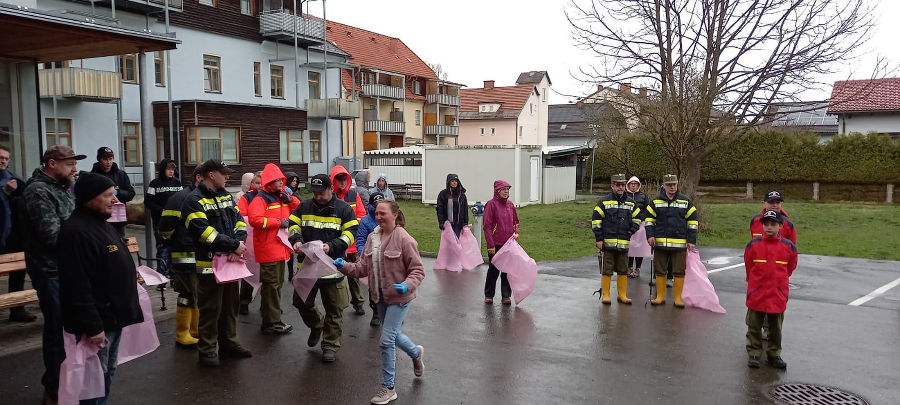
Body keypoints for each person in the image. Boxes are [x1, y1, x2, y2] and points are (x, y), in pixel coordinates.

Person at [58, 172, 143, 404]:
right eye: (107, 195)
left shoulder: (101, 224)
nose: (114, 200)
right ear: (89, 198)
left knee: (106, 374)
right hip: (98, 324)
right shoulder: (76, 232)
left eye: (114, 194)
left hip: (113, 318)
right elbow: (77, 286)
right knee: (94, 382)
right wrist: (93, 326)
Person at [333, 199, 425, 405]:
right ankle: (415, 353)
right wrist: (343, 266)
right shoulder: (373, 238)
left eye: (383, 213)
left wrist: (407, 285)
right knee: (393, 335)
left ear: (395, 215)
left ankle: (388, 388)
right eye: (377, 214)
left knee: (386, 340)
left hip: (399, 298)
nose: (379, 217)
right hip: (379, 297)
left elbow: (418, 270)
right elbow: (362, 268)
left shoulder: (404, 239)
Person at [21, 145, 86, 403]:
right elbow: (52, 236)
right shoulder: (37, 192)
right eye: (69, 163)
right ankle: (55, 388)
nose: (74, 168)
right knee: (58, 331)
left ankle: (70, 384)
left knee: (72, 329)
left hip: (68, 269)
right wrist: (85, 241)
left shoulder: (63, 188)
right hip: (50, 272)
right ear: (51, 164)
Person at [183, 159, 250, 367]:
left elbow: (240, 221)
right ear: (211, 174)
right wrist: (233, 246)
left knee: (230, 306)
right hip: (209, 264)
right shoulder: (194, 200)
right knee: (211, 308)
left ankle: (229, 343)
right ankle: (207, 350)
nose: (227, 176)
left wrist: (238, 244)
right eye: (224, 173)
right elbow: (203, 232)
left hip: (230, 262)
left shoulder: (226, 196)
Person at [286, 173, 358, 363]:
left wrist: (331, 246)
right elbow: (293, 225)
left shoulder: (343, 209)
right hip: (307, 268)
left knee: (334, 310)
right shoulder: (304, 206)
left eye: (322, 193)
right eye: (315, 193)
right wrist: (296, 240)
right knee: (301, 303)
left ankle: (330, 346)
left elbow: (351, 233)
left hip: (332, 268)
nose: (317, 197)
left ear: (331, 189)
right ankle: (317, 325)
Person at [247, 163, 300, 335]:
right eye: (277, 180)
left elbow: (298, 208)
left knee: (276, 285)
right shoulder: (260, 199)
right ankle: (272, 322)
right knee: (271, 286)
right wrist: (278, 223)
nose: (280, 183)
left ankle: (271, 318)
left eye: (281, 180)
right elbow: (255, 219)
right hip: (269, 249)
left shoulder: (281, 196)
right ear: (269, 181)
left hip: (279, 248)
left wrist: (290, 199)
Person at [744, 210, 798, 369]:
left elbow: (791, 267)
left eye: (773, 224)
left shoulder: (789, 247)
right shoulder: (753, 245)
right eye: (766, 224)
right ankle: (754, 352)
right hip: (757, 292)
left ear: (780, 226)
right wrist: (755, 283)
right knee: (754, 325)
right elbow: (749, 265)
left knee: (776, 327)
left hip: (777, 293)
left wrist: (779, 283)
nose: (769, 227)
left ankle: (774, 354)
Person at [159, 167, 204, 347]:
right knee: (187, 293)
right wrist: (177, 243)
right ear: (199, 177)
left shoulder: (201, 197)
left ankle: (195, 330)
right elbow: (165, 229)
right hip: (184, 254)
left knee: (197, 293)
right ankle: (182, 333)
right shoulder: (178, 199)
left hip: (200, 255)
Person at [645, 174, 699, 308]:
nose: (672, 187)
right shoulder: (655, 201)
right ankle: (660, 297)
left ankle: (677, 299)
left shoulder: (686, 201)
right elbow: (649, 221)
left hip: (679, 244)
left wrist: (691, 240)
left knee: (679, 271)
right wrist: (650, 235)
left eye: (674, 184)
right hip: (660, 244)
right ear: (664, 186)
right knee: (660, 270)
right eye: (669, 185)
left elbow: (693, 222)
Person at [592, 174, 642, 305]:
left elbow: (637, 219)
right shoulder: (603, 202)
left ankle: (622, 295)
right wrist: (599, 239)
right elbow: (596, 221)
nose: (620, 187)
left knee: (623, 270)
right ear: (612, 186)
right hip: (608, 244)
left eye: (622, 184)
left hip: (624, 244)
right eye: (617, 184)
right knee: (607, 270)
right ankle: (606, 295)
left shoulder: (632, 203)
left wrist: (631, 230)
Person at [1, 145, 35, 322]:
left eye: (6, 158)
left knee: (18, 271)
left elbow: (23, 199)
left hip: (12, 233)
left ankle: (17, 308)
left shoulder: (12, 176)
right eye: (0, 157)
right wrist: (5, 193)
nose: (3, 161)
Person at [330, 165, 368, 316]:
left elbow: (361, 214)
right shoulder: (329, 196)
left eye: (344, 178)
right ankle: (338, 304)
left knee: (354, 275)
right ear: (333, 180)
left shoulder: (353, 194)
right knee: (335, 276)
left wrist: (348, 226)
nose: (343, 181)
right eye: (339, 178)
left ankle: (358, 302)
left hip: (351, 243)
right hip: (336, 244)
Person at [144, 159, 183, 279]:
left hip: (176, 223)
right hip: (160, 223)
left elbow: (182, 199)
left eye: (173, 169)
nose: (171, 171)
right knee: (163, 249)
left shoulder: (177, 183)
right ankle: (161, 276)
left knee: (175, 248)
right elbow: (148, 201)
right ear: (163, 170)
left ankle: (173, 275)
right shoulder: (155, 183)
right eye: (168, 169)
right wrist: (162, 211)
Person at [483, 180, 519, 305]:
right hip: (495, 244)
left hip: (508, 244)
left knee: (507, 271)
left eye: (507, 189)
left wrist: (516, 233)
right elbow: (487, 226)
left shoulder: (510, 205)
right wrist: (490, 245)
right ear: (497, 191)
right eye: (503, 189)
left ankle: (506, 296)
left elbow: (516, 222)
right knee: (493, 270)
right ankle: (489, 294)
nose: (506, 192)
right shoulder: (491, 204)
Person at [90, 147, 135, 237]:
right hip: (100, 219)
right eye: (105, 159)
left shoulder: (121, 175)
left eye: (110, 159)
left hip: (117, 220)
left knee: (119, 246)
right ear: (99, 159)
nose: (108, 162)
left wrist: (117, 193)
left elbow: (131, 193)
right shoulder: (93, 176)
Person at [356, 192, 385, 327]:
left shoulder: (391, 218)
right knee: (374, 288)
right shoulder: (366, 221)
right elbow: (360, 240)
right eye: (376, 205)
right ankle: (376, 312)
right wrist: (364, 255)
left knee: (390, 287)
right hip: (373, 261)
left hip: (390, 260)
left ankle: (392, 313)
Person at [236, 171, 261, 315]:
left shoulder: (273, 197)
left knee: (268, 278)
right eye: (257, 182)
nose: (260, 185)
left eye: (262, 182)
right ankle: (243, 302)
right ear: (252, 184)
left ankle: (268, 306)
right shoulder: (247, 197)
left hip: (267, 244)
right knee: (249, 273)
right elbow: (242, 217)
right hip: (251, 243)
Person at [625, 175, 650, 278]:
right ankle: (629, 267)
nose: (633, 186)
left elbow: (648, 209)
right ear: (628, 185)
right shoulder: (625, 196)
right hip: (628, 224)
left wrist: (644, 220)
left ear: (638, 185)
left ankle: (638, 268)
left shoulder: (643, 196)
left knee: (639, 247)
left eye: (635, 184)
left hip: (640, 225)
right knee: (630, 246)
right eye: (632, 184)